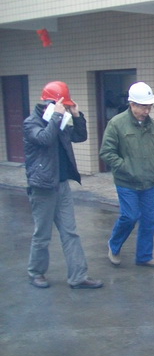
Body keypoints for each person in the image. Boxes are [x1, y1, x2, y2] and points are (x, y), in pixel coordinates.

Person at [23, 81, 103, 289]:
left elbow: (80, 136)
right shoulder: (31, 123)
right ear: (48, 103)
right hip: (42, 186)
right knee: (42, 234)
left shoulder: (59, 120)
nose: (64, 109)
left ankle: (78, 276)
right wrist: (57, 117)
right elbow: (44, 139)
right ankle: (36, 273)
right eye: (62, 105)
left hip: (62, 184)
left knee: (70, 232)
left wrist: (76, 116)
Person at [100, 82, 154, 268]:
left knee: (149, 221)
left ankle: (144, 256)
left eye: (150, 107)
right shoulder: (116, 124)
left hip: (149, 181)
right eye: (144, 107)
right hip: (126, 181)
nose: (147, 111)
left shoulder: (152, 125)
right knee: (130, 216)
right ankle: (114, 245)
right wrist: (125, 167)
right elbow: (107, 152)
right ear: (132, 104)